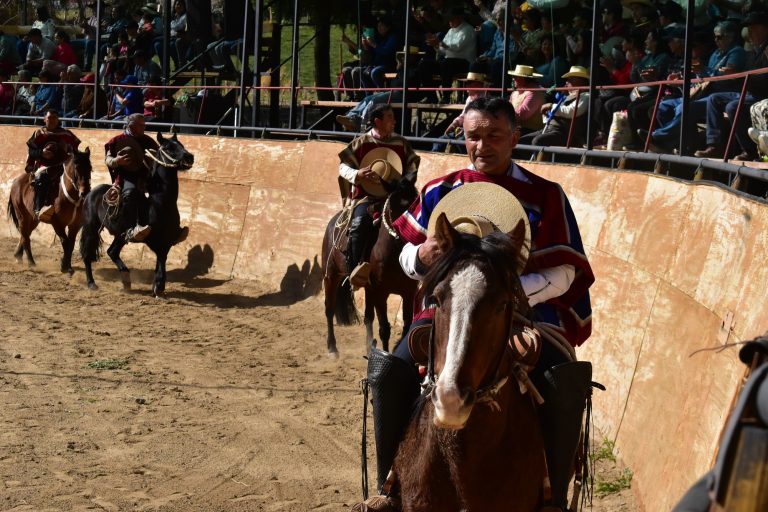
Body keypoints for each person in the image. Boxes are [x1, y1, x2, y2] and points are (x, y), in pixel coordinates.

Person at [355, 96, 594, 512]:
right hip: (448, 307)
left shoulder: (546, 196)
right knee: (390, 371)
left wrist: (504, 297)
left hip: (528, 312)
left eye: (493, 136)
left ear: (515, 138)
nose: (482, 146)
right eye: (473, 137)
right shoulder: (439, 190)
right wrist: (421, 257)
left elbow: (565, 274)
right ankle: (387, 486)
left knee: (563, 378)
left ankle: (554, 494)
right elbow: (403, 257)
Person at [337, 103, 420, 289]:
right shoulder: (362, 142)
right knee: (359, 225)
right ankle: (353, 271)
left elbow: (412, 166)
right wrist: (357, 175)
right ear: (377, 121)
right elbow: (342, 167)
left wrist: (404, 181)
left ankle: (416, 268)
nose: (394, 121)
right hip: (366, 198)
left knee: (416, 220)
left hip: (395, 197)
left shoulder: (401, 142)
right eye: (390, 117)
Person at [694, 11, 768, 160]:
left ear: (765, 28)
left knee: (732, 107)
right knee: (714, 99)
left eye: (754, 28)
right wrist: (736, 74)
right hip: (748, 91)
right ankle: (715, 146)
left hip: (760, 94)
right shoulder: (754, 51)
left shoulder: (765, 49)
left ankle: (749, 150)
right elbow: (747, 74)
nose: (750, 33)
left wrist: (738, 76)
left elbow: (763, 80)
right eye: (749, 29)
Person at [104, 113, 158, 242]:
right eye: (140, 125)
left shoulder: (148, 140)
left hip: (147, 176)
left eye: (144, 125)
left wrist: (154, 159)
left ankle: (168, 229)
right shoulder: (116, 140)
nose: (143, 127)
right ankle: (129, 229)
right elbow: (108, 159)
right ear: (131, 125)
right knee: (131, 192)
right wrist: (117, 161)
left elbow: (158, 156)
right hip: (126, 177)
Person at [25, 109, 81, 221]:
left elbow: (75, 149)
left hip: (63, 165)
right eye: (50, 118)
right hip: (44, 166)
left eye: (55, 118)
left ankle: (81, 208)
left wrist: (70, 151)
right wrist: (42, 153)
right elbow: (31, 152)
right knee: (42, 178)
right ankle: (38, 208)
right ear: (44, 119)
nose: (53, 121)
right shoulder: (39, 134)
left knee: (80, 178)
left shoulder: (66, 134)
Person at [519, 65, 591, 147]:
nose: (566, 82)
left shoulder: (585, 96)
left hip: (564, 132)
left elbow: (571, 111)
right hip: (550, 129)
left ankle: (540, 160)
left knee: (537, 141)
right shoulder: (567, 97)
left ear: (581, 81)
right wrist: (547, 114)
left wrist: (551, 106)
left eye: (570, 79)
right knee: (522, 141)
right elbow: (549, 118)